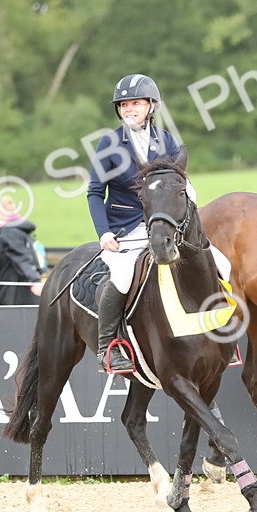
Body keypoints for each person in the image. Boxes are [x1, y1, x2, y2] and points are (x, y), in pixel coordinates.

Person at [88, 73, 186, 373]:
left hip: (161, 225)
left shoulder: (167, 141)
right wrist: (103, 233)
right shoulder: (109, 143)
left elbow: (179, 185)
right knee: (122, 276)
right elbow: (94, 192)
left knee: (216, 263)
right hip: (123, 229)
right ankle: (108, 346)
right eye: (124, 105)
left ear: (150, 106)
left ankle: (215, 334)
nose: (129, 109)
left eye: (136, 103)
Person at [0, 202, 44, 306]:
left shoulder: (9, 233)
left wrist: (35, 281)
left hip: (11, 296)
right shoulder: (16, 232)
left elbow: (22, 257)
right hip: (13, 292)